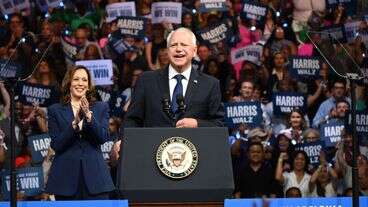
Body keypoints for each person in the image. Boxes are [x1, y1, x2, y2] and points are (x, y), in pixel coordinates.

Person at [123, 27, 224, 128]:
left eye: (184, 45)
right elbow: (132, 119)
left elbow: (218, 125)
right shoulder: (146, 80)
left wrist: (197, 124)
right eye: (173, 45)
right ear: (167, 50)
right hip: (153, 143)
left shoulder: (210, 84)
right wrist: (122, 141)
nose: (179, 49)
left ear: (194, 51)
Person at [46, 66, 114, 200]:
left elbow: (103, 137)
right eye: (76, 79)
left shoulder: (101, 107)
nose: (80, 83)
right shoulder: (55, 110)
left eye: (84, 80)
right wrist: (74, 125)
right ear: (69, 83)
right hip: (65, 181)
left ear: (89, 85)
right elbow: (57, 145)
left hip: (96, 180)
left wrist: (89, 116)